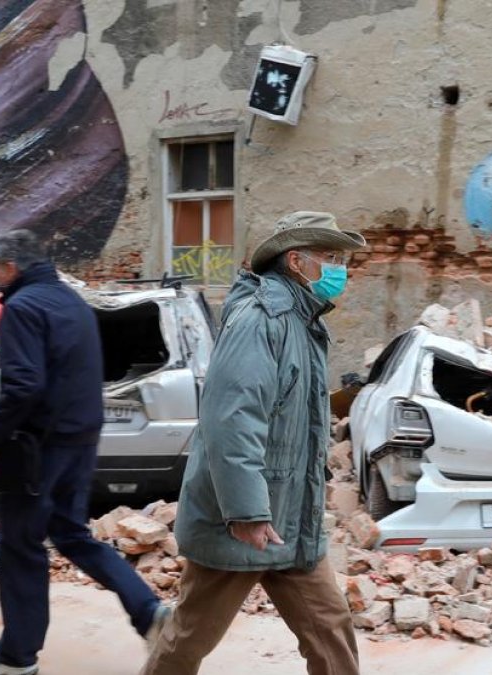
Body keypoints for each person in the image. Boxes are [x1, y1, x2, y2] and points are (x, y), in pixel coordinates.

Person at [141, 211, 366, 675]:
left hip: (292, 520)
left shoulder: (302, 322)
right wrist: (247, 513)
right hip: (242, 520)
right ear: (296, 261)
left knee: (331, 630)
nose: (341, 267)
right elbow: (232, 420)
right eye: (331, 256)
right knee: (188, 639)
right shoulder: (261, 319)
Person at [0, 230, 168, 675]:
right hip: (80, 442)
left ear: (12, 267)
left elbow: (23, 386)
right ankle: (149, 612)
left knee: (18, 548)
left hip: (36, 449)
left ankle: (15, 658)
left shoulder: (21, 307)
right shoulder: (74, 303)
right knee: (73, 536)